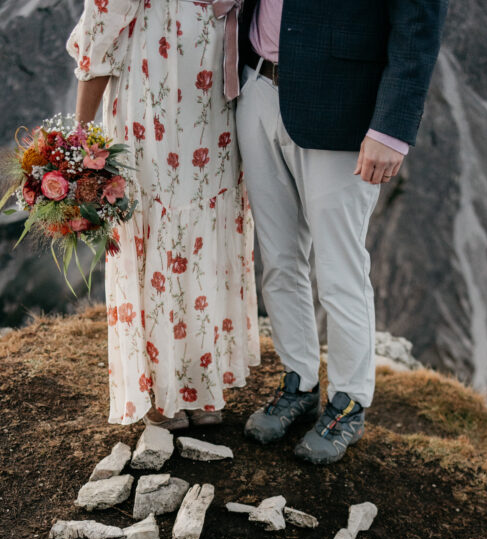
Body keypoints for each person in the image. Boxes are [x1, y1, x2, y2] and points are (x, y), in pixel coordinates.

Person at [237, 0, 449, 464]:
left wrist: (391, 130)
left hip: (342, 109)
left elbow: (418, 26)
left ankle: (349, 404)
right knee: (278, 259)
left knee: (339, 269)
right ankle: (299, 384)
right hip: (256, 87)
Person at [67, 0, 259, 430]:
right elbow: (105, 18)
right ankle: (172, 387)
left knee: (195, 224)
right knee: (169, 221)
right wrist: (80, 137)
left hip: (206, 88)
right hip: (161, 81)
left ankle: (195, 381)